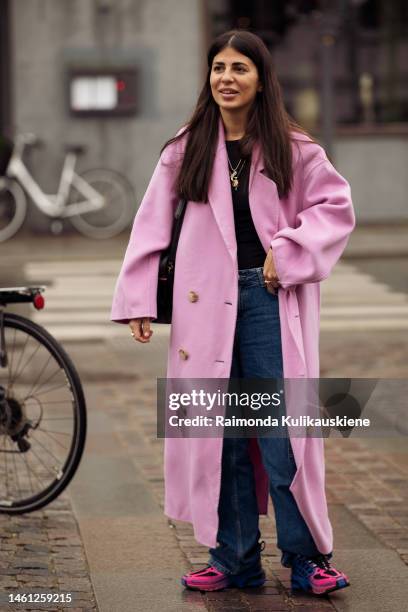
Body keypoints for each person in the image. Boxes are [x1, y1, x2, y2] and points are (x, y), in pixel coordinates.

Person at [111, 29, 355, 596]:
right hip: (203, 308)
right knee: (217, 435)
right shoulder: (186, 147)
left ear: (260, 79)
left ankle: (306, 559)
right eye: (218, 67)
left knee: (281, 431)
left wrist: (286, 252)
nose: (226, 77)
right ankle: (234, 557)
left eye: (239, 68)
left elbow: (335, 209)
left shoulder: (295, 149)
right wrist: (139, 299)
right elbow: (151, 224)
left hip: (269, 300)